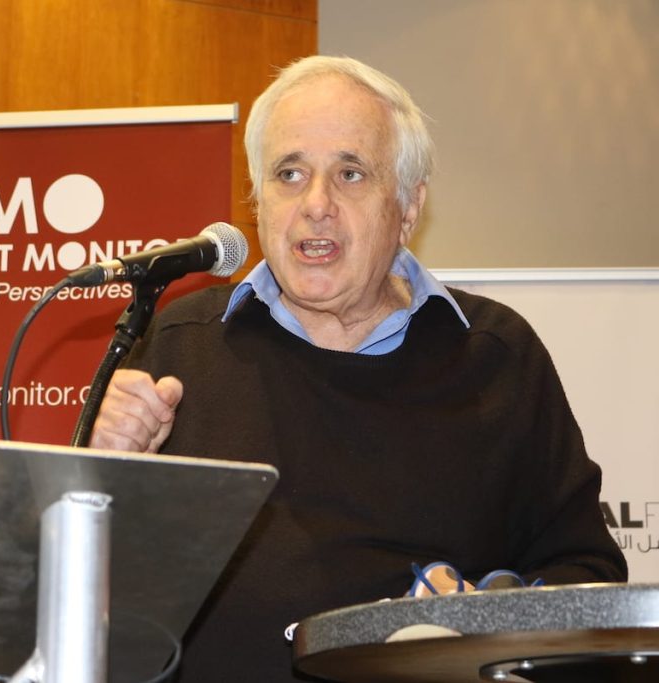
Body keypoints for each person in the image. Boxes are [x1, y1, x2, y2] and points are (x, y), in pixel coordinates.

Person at [89, 56, 627, 681]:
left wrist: (487, 613)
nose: (316, 204)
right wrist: (100, 482)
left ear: (408, 207)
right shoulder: (180, 346)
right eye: (289, 174)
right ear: (258, 200)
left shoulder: (495, 356)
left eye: (350, 174)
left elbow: (588, 578)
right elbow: (84, 598)